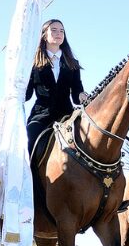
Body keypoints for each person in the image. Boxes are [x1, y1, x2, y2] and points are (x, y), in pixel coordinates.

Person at [25, 19, 85, 154]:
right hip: (41, 116)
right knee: (29, 140)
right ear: (44, 35)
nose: (59, 33)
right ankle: (30, 175)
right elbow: (27, 95)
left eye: (62, 31)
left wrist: (82, 95)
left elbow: (77, 94)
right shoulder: (32, 63)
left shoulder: (73, 63)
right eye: (54, 30)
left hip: (68, 116)